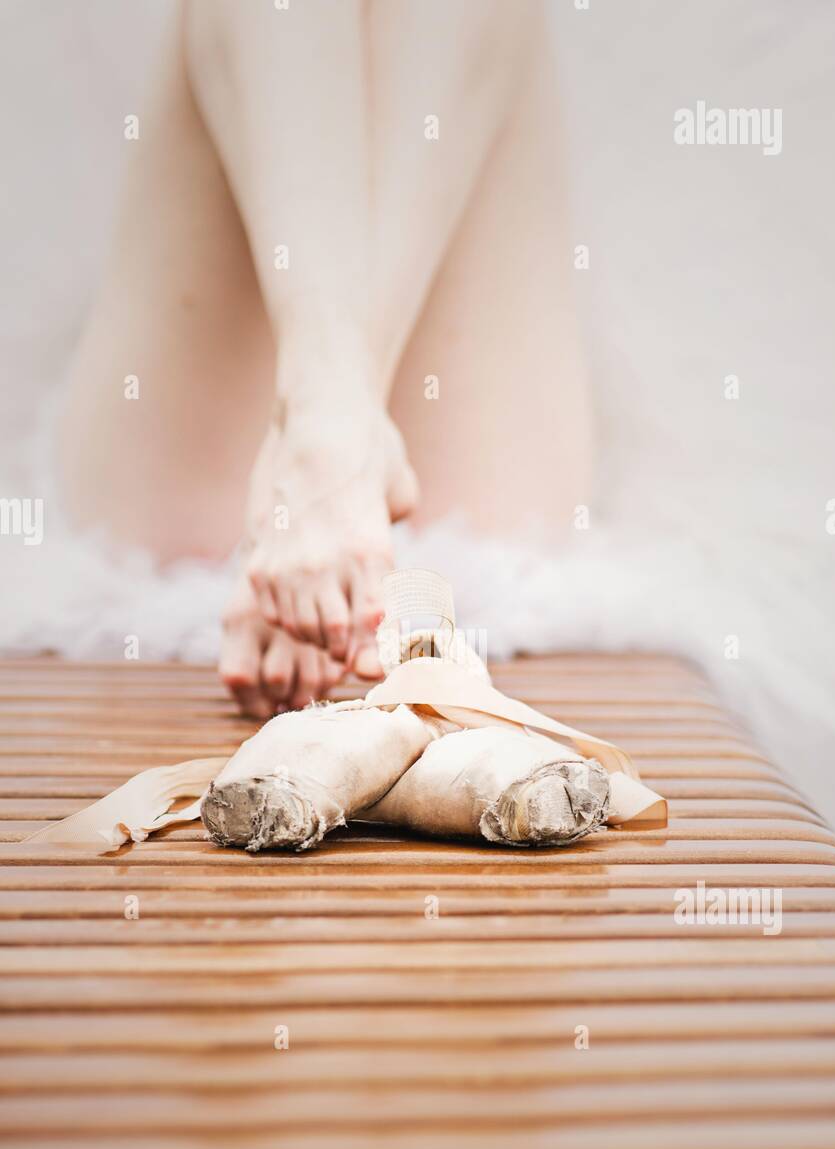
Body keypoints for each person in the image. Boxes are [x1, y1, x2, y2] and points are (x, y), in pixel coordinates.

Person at [56, 0, 591, 717]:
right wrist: (334, 433)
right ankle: (328, 416)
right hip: (215, 501)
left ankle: (326, 420)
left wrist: (327, 441)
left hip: (445, 497)